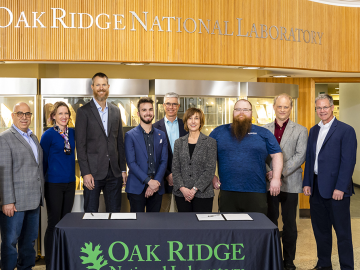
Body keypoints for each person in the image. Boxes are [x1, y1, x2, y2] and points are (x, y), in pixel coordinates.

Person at [303, 94, 357, 270]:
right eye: (318, 108)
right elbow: (310, 159)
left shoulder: (345, 130)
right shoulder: (314, 130)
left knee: (342, 233)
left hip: (336, 190)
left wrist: (341, 187)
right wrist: (307, 182)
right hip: (317, 188)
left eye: (325, 107)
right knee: (321, 231)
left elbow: (348, 162)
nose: (322, 111)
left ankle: (347, 267)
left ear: (332, 107)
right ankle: (324, 264)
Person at [210, 99, 283, 214]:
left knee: (256, 229)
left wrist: (276, 178)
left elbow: (277, 155)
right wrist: (212, 176)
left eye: (245, 110)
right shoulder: (218, 132)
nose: (241, 113)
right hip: (227, 190)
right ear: (233, 112)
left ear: (251, 113)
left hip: (256, 190)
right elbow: (207, 156)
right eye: (238, 109)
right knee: (230, 229)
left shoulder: (263, 133)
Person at [263, 94, 308, 270]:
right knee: (271, 221)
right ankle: (273, 260)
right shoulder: (264, 129)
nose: (282, 110)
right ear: (274, 107)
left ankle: (289, 262)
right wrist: (270, 173)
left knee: (289, 224)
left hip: (290, 182)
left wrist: (278, 174)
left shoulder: (300, 130)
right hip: (268, 184)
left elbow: (300, 156)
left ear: (291, 108)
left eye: (286, 107)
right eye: (279, 106)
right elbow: (261, 155)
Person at [0, 102, 44, 270]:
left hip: (33, 200)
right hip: (15, 203)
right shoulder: (5, 138)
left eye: (27, 114)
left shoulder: (33, 137)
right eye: (20, 113)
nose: (24, 117)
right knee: (10, 243)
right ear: (13, 116)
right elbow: (3, 173)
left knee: (29, 242)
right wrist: (7, 201)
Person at [75, 72, 127, 212]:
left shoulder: (116, 111)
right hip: (93, 173)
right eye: (98, 85)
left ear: (108, 86)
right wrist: (85, 173)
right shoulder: (83, 112)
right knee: (91, 213)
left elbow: (119, 143)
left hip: (114, 173)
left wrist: (123, 169)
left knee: (114, 214)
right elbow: (80, 145)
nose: (101, 88)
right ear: (92, 87)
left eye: (104, 85)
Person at [40, 101, 75, 269]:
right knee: (54, 222)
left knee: (65, 222)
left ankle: (62, 260)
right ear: (53, 116)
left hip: (70, 183)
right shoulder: (48, 135)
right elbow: (43, 161)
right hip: (53, 184)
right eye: (60, 113)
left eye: (66, 113)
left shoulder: (73, 133)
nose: (64, 116)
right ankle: (51, 262)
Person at [124, 97, 168, 212]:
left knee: (154, 225)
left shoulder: (161, 135)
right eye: (144, 110)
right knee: (137, 225)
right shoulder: (130, 135)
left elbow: (164, 161)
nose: (148, 113)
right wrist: (149, 182)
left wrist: (155, 183)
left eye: (150, 109)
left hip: (157, 186)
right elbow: (131, 163)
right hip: (136, 187)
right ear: (138, 113)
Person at [172, 108, 217, 212]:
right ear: (186, 121)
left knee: (202, 227)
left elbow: (210, 170)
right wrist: (182, 189)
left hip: (203, 194)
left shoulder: (210, 142)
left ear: (201, 121)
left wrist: (194, 189)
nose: (193, 121)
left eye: (196, 118)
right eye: (190, 118)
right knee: (184, 226)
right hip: (182, 194)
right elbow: (175, 168)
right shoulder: (178, 142)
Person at [153, 92, 187, 212]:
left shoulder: (187, 126)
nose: (171, 107)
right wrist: (167, 174)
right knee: (162, 216)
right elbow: (154, 156)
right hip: (162, 179)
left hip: (183, 180)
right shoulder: (155, 128)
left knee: (183, 217)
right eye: (168, 104)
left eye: (174, 104)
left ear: (178, 106)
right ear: (163, 105)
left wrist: (177, 175)